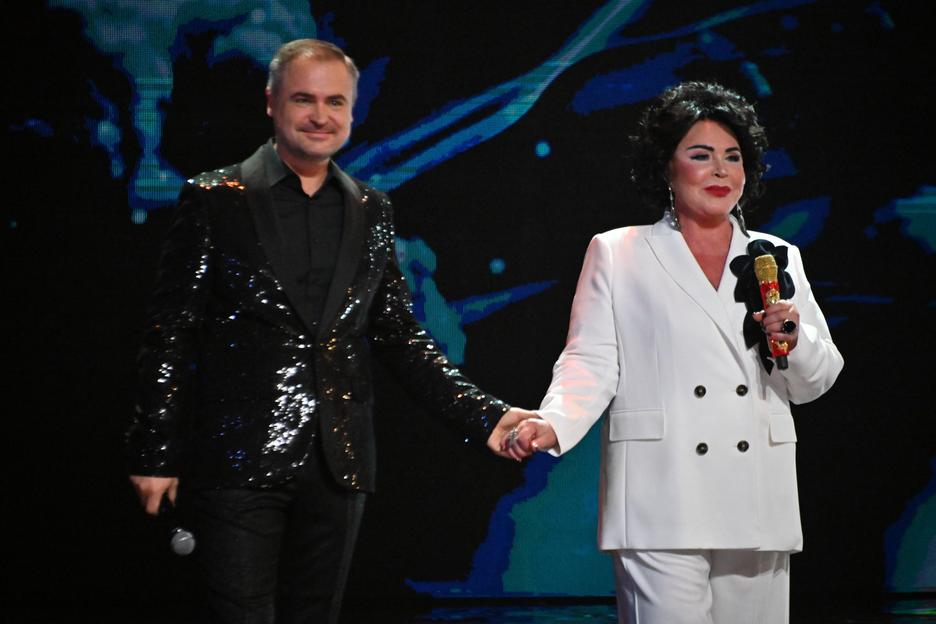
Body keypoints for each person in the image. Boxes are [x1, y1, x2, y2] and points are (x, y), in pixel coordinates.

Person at [127, 38, 528, 623]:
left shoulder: (371, 209)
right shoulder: (215, 199)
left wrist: (486, 416)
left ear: (351, 110)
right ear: (272, 103)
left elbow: (400, 336)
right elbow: (171, 331)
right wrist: (155, 451)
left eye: (335, 102)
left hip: (339, 463)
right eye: (304, 99)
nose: (320, 116)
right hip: (238, 458)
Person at [497, 81, 844, 623]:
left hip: (756, 489)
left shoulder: (776, 255)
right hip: (660, 488)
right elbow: (591, 359)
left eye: (733, 157)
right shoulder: (619, 251)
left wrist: (795, 341)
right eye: (700, 155)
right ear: (666, 167)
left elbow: (815, 379)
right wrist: (555, 420)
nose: (720, 170)